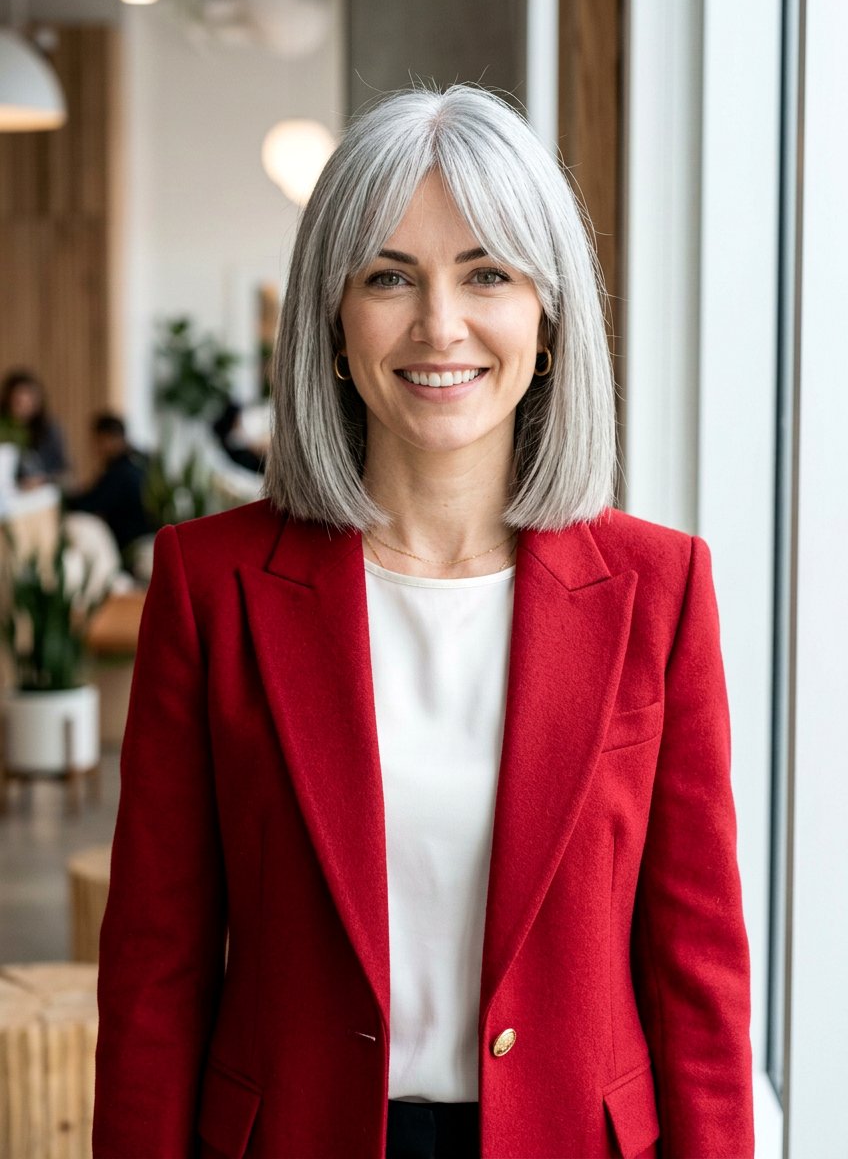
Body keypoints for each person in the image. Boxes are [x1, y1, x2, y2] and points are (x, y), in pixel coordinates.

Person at [92, 85, 755, 1159]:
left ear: (545, 320)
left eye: (486, 272)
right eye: (389, 277)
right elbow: (155, 973)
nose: (438, 324)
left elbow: (698, 977)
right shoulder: (210, 586)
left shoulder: (658, 589)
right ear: (333, 320)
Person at [63, 412, 156, 567]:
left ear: (110, 439)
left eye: (98, 442)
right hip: (152, 541)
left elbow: (88, 504)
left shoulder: (120, 471)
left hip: (134, 549)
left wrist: (61, 495)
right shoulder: (142, 459)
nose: (95, 449)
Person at [0, 368, 70, 487]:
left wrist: (42, 480)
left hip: (42, 492)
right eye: (18, 402)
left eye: (28, 402)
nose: (23, 407)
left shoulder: (48, 431)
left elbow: (64, 473)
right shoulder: (4, 428)